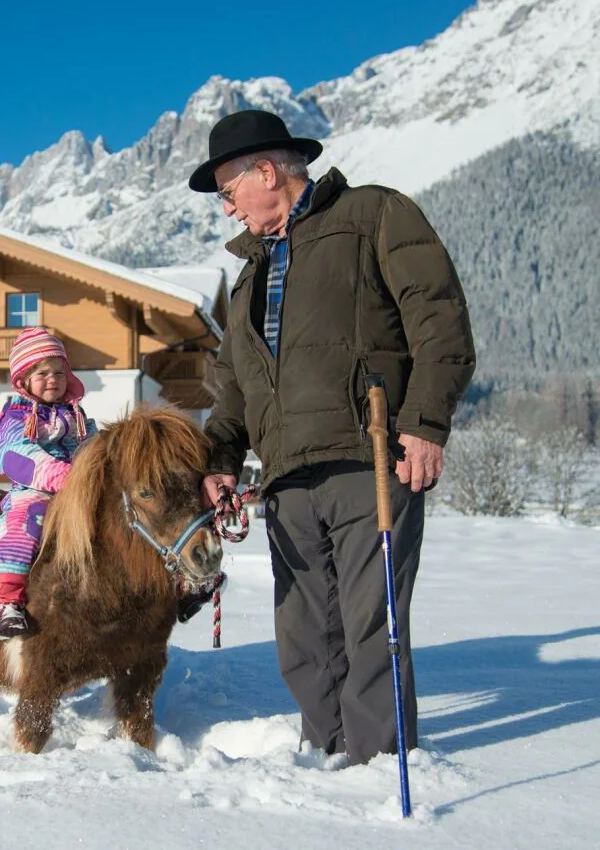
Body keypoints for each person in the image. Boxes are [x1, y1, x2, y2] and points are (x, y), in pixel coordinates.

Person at [188, 109, 475, 764]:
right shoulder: (247, 279)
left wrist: (425, 424)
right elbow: (232, 389)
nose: (228, 210)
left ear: (265, 171)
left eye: (228, 193)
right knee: (304, 637)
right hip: (287, 478)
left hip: (369, 456)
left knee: (371, 622)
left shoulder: (373, 217)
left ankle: (377, 764)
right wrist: (223, 458)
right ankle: (326, 755)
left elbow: (440, 321)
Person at [0, 327, 97, 640]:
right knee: (22, 528)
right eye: (43, 373)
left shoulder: (76, 415)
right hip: (35, 492)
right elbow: (8, 452)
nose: (53, 379)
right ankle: (7, 604)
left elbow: (92, 447)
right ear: (24, 379)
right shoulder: (18, 416)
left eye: (60, 372)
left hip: (79, 491)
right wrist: (59, 475)